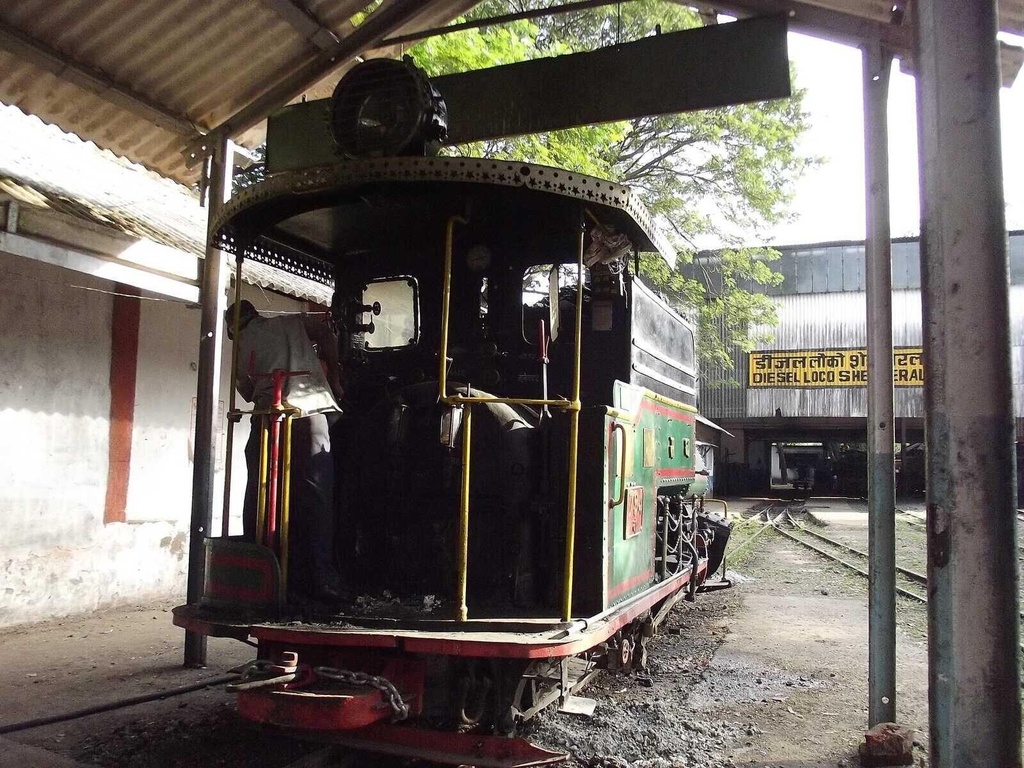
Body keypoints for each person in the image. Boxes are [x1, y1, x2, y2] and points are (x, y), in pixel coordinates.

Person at [226, 300, 345, 603]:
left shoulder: (241, 345)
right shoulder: (289, 323)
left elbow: (246, 389)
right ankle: (320, 580)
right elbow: (325, 333)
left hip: (267, 419)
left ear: (231, 327)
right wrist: (334, 377)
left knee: (259, 494)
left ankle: (262, 574)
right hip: (310, 415)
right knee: (316, 500)